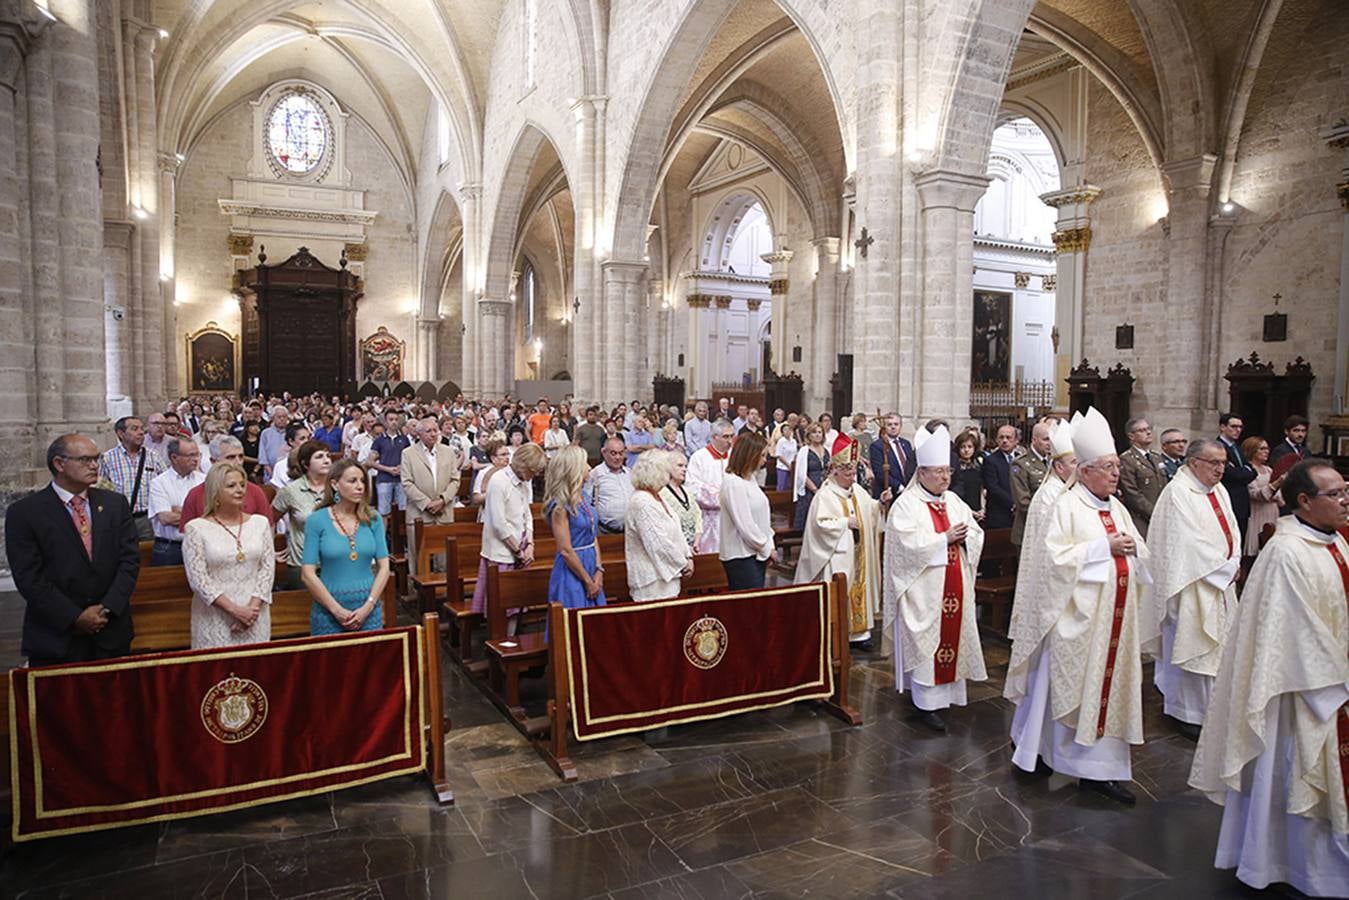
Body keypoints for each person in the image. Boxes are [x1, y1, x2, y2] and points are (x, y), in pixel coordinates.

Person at [1189, 459, 1349, 896]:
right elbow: (1293, 631)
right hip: (1299, 692)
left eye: (1344, 490)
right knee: (1292, 776)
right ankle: (1288, 864)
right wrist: (1339, 678)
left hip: (1333, 683)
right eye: (1334, 494)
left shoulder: (1336, 542)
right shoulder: (1286, 552)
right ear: (1304, 502)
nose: (1344, 500)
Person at [1033, 407, 1151, 805]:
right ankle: (1075, 764)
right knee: (1080, 693)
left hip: (1117, 619)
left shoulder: (1116, 508)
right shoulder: (1065, 507)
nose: (1116, 473)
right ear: (1084, 471)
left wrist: (1136, 551)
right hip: (1082, 619)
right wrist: (1104, 548)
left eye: (1117, 466)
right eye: (1107, 467)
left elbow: (1139, 552)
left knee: (1112, 692)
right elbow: (1052, 560)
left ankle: (1104, 772)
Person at [882, 425, 985, 733]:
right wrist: (943, 539)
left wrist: (966, 539)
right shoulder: (907, 504)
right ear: (922, 473)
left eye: (948, 471)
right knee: (928, 645)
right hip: (924, 591)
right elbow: (903, 546)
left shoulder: (953, 501)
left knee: (951, 640)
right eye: (939, 472)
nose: (945, 477)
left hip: (954, 584)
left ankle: (948, 696)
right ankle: (925, 704)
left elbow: (975, 533)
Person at [6, 435, 139, 666]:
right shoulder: (26, 512)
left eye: (96, 459)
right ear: (59, 464)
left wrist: (106, 608)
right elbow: (29, 576)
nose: (95, 465)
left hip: (110, 630)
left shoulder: (114, 504)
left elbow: (129, 561)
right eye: (85, 459)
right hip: (56, 635)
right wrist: (74, 617)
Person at [1143, 439, 1240, 742]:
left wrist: (1235, 558)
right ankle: (1185, 712)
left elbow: (1233, 530)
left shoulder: (1218, 490)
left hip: (1219, 582)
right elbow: (1186, 542)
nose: (1220, 469)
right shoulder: (1178, 494)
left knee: (1218, 648)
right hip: (1191, 583)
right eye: (1214, 463)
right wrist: (1224, 568)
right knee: (1191, 644)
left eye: (1224, 463)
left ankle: (1213, 710)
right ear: (1194, 462)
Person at [1004, 417, 1078, 722]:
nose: (1080, 467)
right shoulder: (1050, 494)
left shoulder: (1066, 491)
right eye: (1075, 462)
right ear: (1059, 466)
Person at [796, 436, 884, 647]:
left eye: (854, 472)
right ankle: (837, 633)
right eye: (847, 472)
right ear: (834, 470)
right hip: (837, 556)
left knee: (858, 588)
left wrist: (880, 504)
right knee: (840, 593)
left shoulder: (857, 491)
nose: (852, 477)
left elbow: (869, 509)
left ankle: (859, 635)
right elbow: (820, 525)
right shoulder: (824, 495)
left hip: (858, 553)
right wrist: (845, 523)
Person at [182, 462, 274, 648]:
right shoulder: (196, 529)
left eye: (242, 485)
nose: (240, 490)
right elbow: (199, 580)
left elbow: (267, 569)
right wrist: (235, 611)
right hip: (216, 616)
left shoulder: (260, 523)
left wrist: (251, 611)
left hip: (255, 614)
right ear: (215, 492)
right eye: (231, 486)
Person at [302, 459, 390, 634]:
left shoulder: (373, 518)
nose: (360, 486)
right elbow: (307, 574)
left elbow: (384, 567)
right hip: (328, 611)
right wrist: (336, 610)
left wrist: (369, 604)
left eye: (362, 481)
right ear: (334, 484)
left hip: (368, 609)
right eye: (352, 481)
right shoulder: (316, 520)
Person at [472, 443, 546, 615]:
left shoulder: (523, 480)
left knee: (516, 607)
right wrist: (518, 551)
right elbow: (499, 523)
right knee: (499, 609)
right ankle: (499, 640)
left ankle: (513, 639)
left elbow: (526, 514)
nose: (532, 477)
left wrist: (530, 545)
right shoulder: (499, 480)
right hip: (501, 552)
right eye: (532, 471)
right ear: (523, 465)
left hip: (519, 549)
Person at [625, 451, 693, 601]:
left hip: (668, 579)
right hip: (652, 583)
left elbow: (676, 529)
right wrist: (683, 563)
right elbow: (658, 543)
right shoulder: (641, 501)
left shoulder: (657, 496)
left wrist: (688, 555)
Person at [543, 445, 606, 609]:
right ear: (574, 468)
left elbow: (592, 536)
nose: (589, 467)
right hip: (573, 570)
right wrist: (587, 580)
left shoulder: (583, 496)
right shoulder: (560, 505)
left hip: (591, 563)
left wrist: (599, 570)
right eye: (585, 463)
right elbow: (565, 550)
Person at [401, 416, 461, 569]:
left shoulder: (448, 452)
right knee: (419, 558)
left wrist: (442, 500)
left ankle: (443, 588)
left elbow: (455, 480)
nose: (433, 434)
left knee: (444, 558)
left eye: (435, 430)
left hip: (443, 511)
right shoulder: (408, 453)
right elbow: (407, 483)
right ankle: (418, 589)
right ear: (419, 434)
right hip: (419, 513)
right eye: (428, 431)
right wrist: (427, 503)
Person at [271, 440, 332, 589]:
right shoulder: (291, 491)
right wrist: (270, 550)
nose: (326, 460)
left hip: (336, 563)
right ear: (306, 464)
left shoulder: (338, 487)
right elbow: (269, 519)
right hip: (302, 564)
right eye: (319, 456)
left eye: (328, 455)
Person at [719, 431, 775, 590]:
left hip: (754, 552)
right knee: (747, 609)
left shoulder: (749, 478)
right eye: (762, 455)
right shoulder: (733, 483)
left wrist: (769, 545)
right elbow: (745, 524)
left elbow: (762, 518)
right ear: (750, 455)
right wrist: (766, 548)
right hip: (741, 555)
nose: (765, 460)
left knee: (756, 607)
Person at [180, 435, 276, 528]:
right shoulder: (195, 494)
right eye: (231, 457)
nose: (238, 462)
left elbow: (268, 528)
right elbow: (188, 533)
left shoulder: (255, 492)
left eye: (241, 457)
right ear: (213, 461)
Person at [99, 415, 166, 540]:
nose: (141, 432)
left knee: (147, 553)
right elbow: (102, 490)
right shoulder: (108, 458)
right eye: (135, 429)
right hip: (121, 518)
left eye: (141, 429)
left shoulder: (153, 457)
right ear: (121, 433)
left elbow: (165, 485)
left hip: (147, 519)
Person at [146, 437, 205, 566]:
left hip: (200, 545)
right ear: (174, 458)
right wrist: (200, 513)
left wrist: (178, 510)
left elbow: (215, 513)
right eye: (191, 455)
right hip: (170, 548)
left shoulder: (204, 480)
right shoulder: (159, 483)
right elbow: (166, 518)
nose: (196, 459)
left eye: (197, 454)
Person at [687, 418, 734, 552]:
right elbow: (693, 488)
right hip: (708, 519)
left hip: (732, 517)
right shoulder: (699, 457)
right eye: (726, 437)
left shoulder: (734, 457)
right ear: (714, 437)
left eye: (731, 436)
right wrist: (723, 497)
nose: (730, 441)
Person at [1116, 417, 1166, 539]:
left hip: (1162, 515)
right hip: (1142, 518)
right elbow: (1132, 494)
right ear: (1131, 436)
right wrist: (1155, 513)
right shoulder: (1127, 459)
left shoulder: (1157, 457)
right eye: (1142, 430)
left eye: (1149, 429)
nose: (1148, 432)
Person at [1010, 422, 1053, 547]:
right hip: (1029, 529)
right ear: (1034, 439)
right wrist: (1049, 515)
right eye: (1046, 439)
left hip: (1049, 531)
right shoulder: (1021, 464)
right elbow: (1023, 501)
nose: (1049, 443)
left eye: (1051, 439)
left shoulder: (1051, 461)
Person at [1218, 412, 1256, 543]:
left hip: (1242, 502)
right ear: (1223, 427)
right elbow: (1230, 474)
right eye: (1233, 426)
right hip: (1228, 498)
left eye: (1240, 427)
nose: (1238, 430)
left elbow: (1253, 471)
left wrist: (1243, 471)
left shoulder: (1237, 448)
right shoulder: (1218, 447)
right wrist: (1243, 471)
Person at [1241, 435, 1283, 557]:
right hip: (1257, 512)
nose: (1266, 451)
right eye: (1262, 449)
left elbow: (1279, 495)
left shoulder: (1269, 470)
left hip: (1272, 512)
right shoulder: (1248, 470)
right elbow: (1255, 493)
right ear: (1252, 450)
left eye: (1267, 448)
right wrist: (1275, 485)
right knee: (1254, 550)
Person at [587, 437, 635, 534]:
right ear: (604, 452)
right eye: (613, 453)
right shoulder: (595, 474)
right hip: (605, 532)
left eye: (621, 453)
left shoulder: (630, 473)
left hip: (631, 532)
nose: (618, 457)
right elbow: (588, 504)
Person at [369, 411, 411, 516]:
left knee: (403, 510)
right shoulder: (379, 440)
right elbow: (370, 461)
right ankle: (383, 533)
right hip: (384, 479)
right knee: (383, 511)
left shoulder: (404, 439)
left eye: (396, 419)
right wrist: (388, 469)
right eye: (391, 420)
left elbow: (410, 458)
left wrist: (402, 467)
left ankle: (401, 532)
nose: (394, 422)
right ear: (385, 422)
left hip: (401, 479)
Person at [869, 414, 916, 502]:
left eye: (896, 424)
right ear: (884, 427)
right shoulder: (877, 446)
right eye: (889, 425)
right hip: (889, 494)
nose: (893, 427)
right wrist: (899, 487)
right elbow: (880, 473)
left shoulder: (906, 444)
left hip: (908, 492)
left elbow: (911, 466)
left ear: (900, 426)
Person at [981, 424, 1019, 530]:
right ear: (997, 440)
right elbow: (993, 487)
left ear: (1016, 440)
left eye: (1008, 437)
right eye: (1001, 437)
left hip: (1019, 516)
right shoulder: (991, 460)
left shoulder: (1020, 459)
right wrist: (1013, 504)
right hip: (999, 515)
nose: (1005, 441)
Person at [662, 450, 700, 551]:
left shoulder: (688, 491)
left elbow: (698, 516)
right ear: (668, 467)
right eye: (680, 465)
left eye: (685, 466)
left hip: (693, 546)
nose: (684, 469)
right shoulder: (662, 493)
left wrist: (696, 541)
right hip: (674, 548)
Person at [793, 423, 829, 530]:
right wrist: (815, 490)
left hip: (825, 488)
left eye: (819, 432)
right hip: (810, 490)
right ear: (809, 435)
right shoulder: (804, 451)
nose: (817, 435)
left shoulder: (826, 450)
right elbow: (801, 474)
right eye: (814, 432)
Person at [951, 429, 984, 519]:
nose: (966, 450)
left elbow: (981, 489)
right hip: (961, 511)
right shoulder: (954, 467)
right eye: (963, 447)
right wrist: (969, 511)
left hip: (978, 509)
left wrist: (982, 508)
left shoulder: (978, 465)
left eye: (970, 447)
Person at [257, 405, 291, 480]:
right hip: (270, 474)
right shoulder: (265, 433)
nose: (282, 419)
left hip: (289, 473)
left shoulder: (291, 432)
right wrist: (272, 475)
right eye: (279, 417)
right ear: (273, 418)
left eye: (284, 416)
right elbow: (263, 456)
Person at [774, 423, 798, 492]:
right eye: (785, 430)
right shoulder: (781, 441)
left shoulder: (794, 441)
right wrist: (788, 465)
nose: (787, 431)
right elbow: (779, 455)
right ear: (782, 432)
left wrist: (793, 464)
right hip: (782, 466)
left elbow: (795, 453)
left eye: (789, 430)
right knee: (781, 486)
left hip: (792, 467)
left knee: (790, 486)